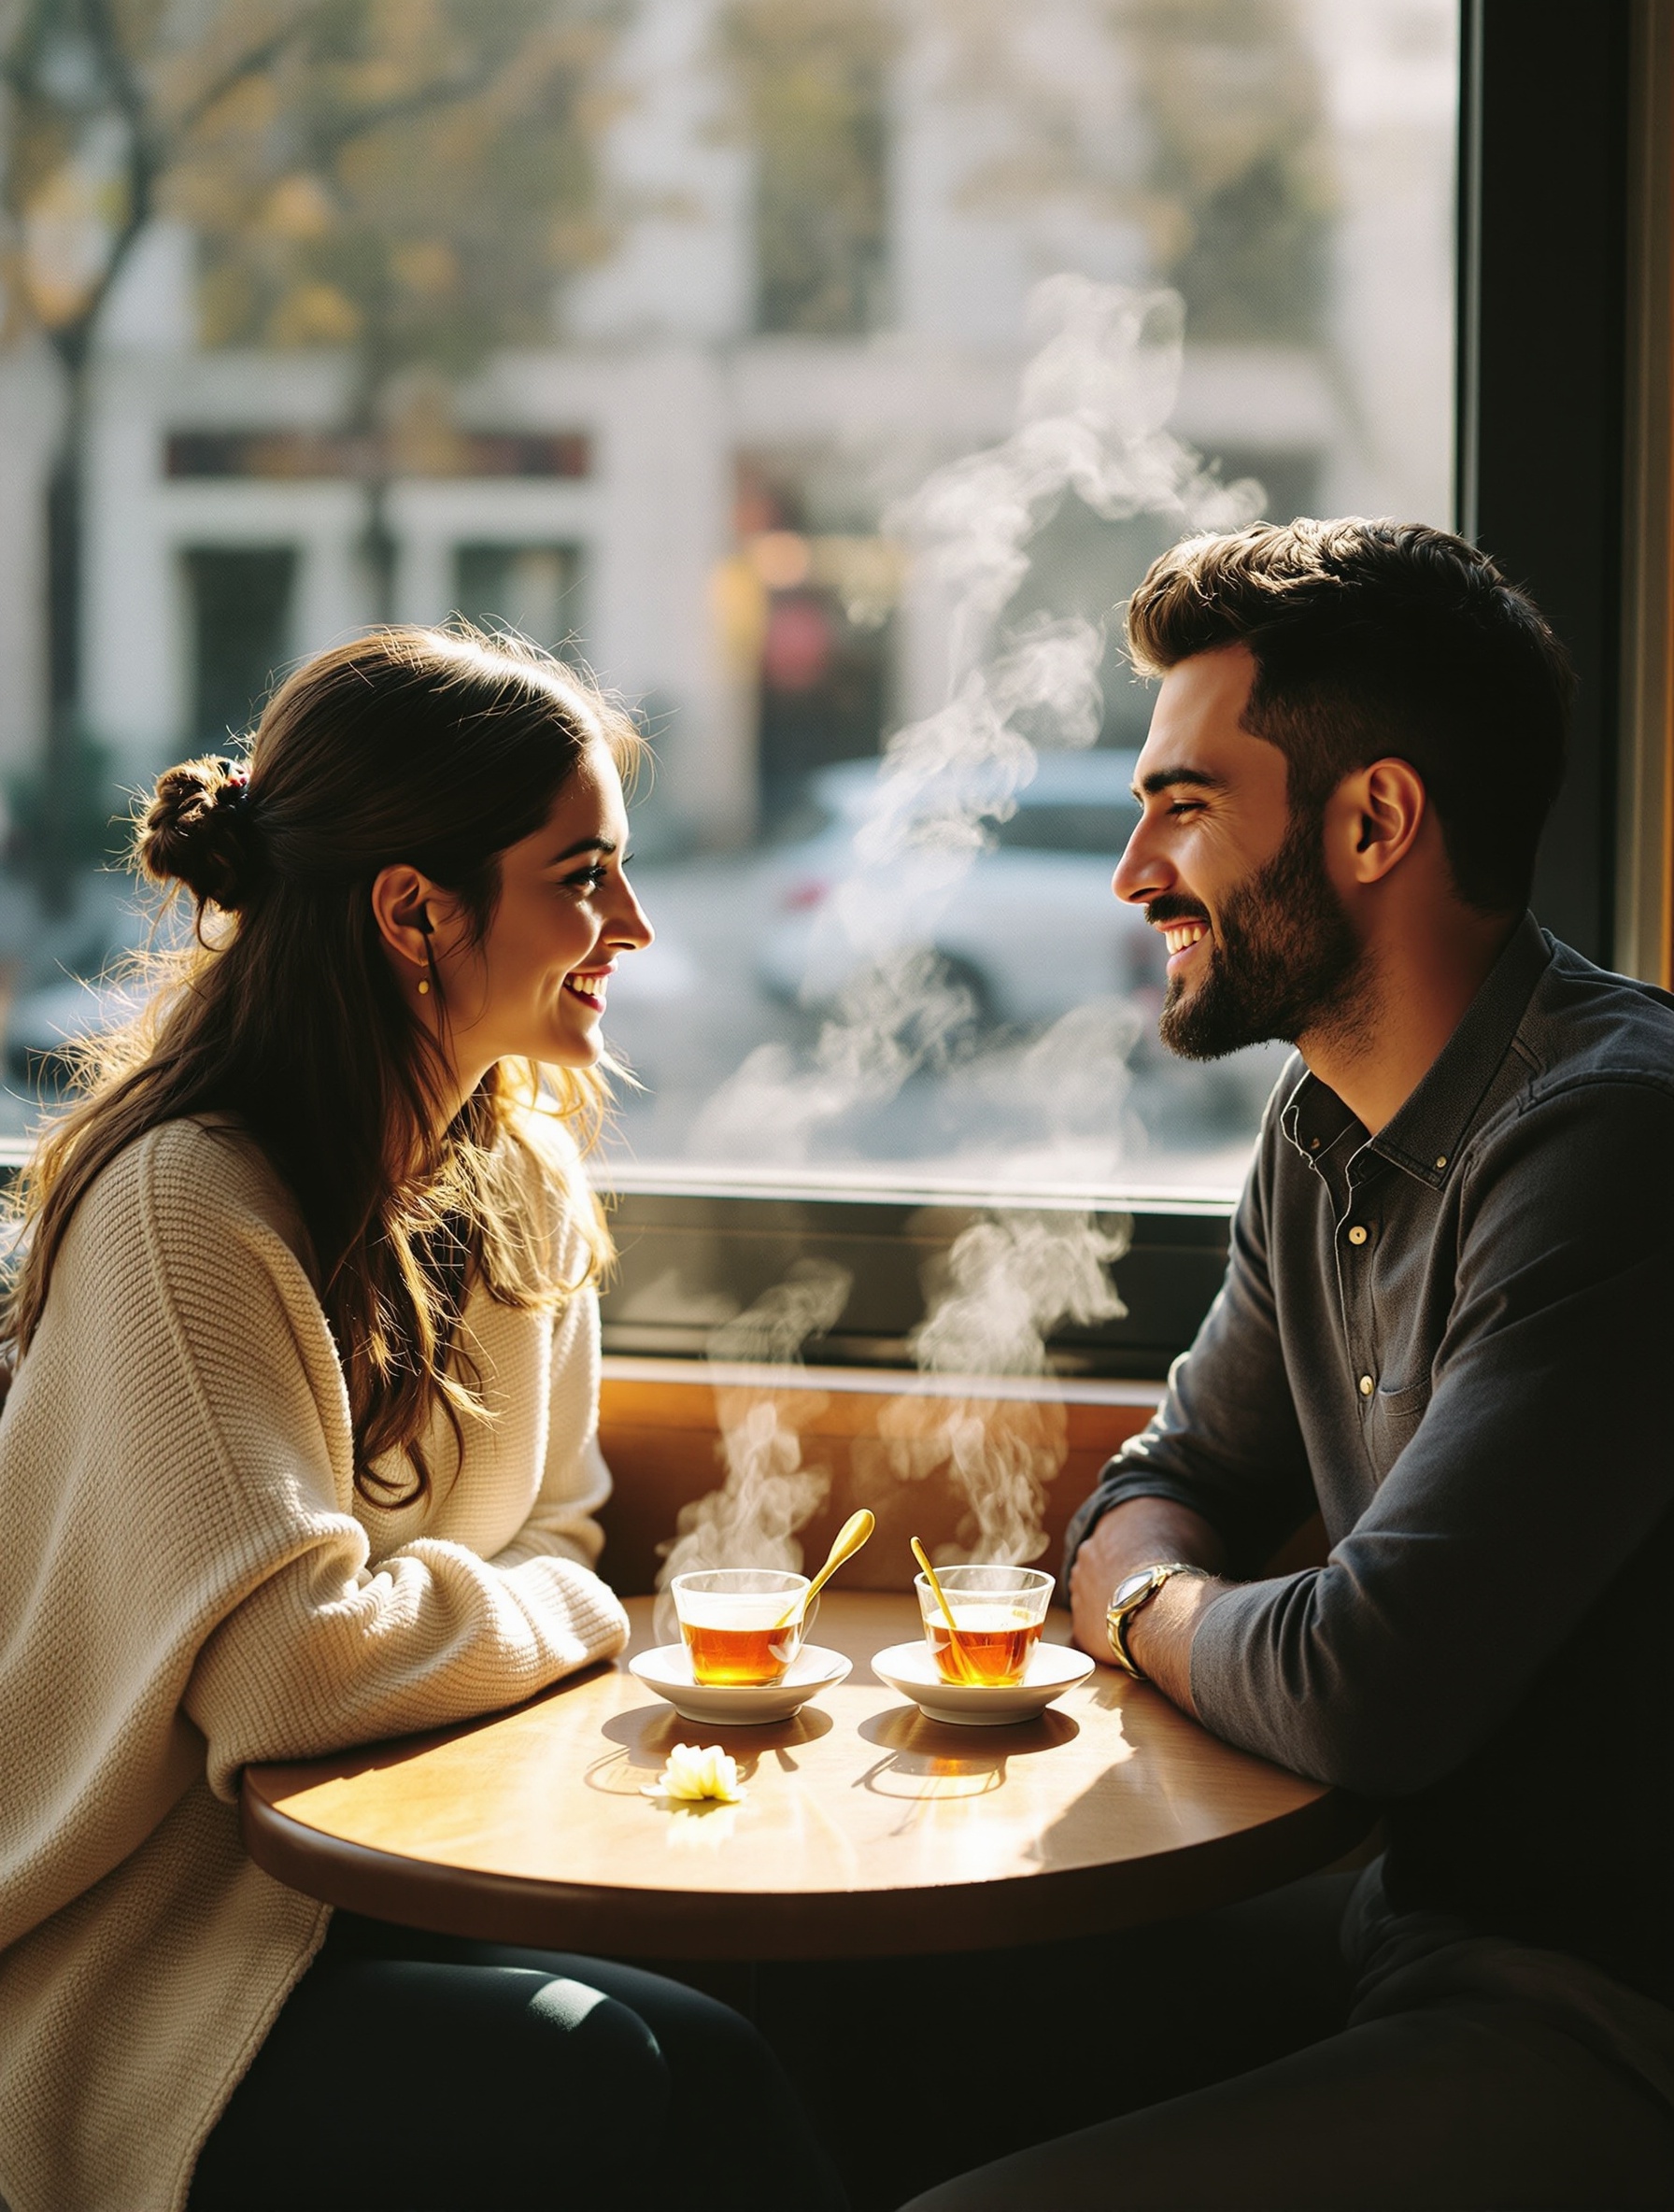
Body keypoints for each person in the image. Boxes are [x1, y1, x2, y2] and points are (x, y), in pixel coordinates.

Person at [0, 628, 843, 2212]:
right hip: (141, 1952)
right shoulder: (183, 1210)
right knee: (627, 2069)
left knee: (769, 2011)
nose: (635, 924)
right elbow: (293, 1671)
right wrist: (579, 1614)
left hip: (398, 1873)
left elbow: (550, 1527)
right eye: (583, 876)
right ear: (413, 912)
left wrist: (502, 1603)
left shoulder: (523, 1184)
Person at [905, 519, 1674, 2209]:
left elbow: (1361, 1685)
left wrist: (1134, 1606)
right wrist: (1161, 1576)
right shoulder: (1321, 1122)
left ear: (1375, 821)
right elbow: (1168, 1478)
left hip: (1604, 2018)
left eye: (1183, 805)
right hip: (1403, 1926)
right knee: (851, 2026)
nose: (1132, 873)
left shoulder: (1614, 1143)